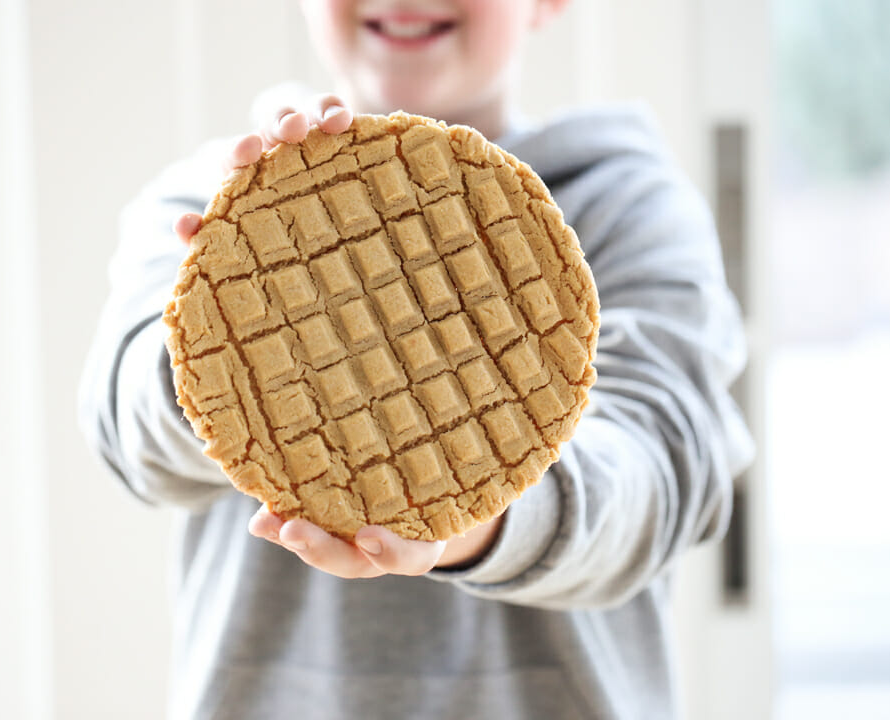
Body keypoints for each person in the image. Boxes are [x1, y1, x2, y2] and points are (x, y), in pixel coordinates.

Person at [79, 0, 754, 717]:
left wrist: (477, 516)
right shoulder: (206, 197)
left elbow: (665, 472)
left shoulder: (630, 207)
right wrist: (218, 354)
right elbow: (123, 429)